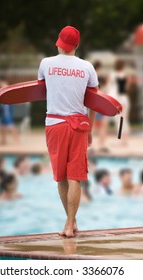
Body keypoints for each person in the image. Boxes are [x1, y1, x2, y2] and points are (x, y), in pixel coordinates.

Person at [38, 26, 98, 237]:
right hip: (79, 125)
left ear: (59, 42)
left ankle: (70, 223)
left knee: (61, 177)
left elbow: (41, 89)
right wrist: (90, 129)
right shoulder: (87, 67)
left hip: (54, 124)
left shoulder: (46, 63)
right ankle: (70, 223)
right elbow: (94, 102)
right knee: (76, 177)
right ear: (77, 45)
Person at [107, 59, 131, 145]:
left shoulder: (113, 75)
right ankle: (125, 140)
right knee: (125, 119)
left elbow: (109, 87)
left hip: (117, 99)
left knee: (119, 120)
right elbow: (127, 88)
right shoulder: (126, 75)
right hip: (124, 99)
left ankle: (120, 140)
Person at [0, 78, 19, 145]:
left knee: (10, 126)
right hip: (3, 111)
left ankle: (17, 140)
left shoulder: (6, 89)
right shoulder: (1, 90)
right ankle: (3, 140)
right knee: (2, 126)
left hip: (6, 111)